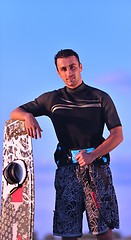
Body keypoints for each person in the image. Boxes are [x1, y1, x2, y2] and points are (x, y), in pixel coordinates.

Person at [10, 49, 123, 240]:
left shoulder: (100, 97)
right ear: (58, 72)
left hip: (97, 169)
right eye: (64, 69)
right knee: (68, 234)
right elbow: (16, 111)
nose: (69, 73)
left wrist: (93, 155)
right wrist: (28, 116)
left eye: (72, 67)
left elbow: (117, 135)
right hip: (66, 172)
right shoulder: (52, 99)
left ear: (80, 67)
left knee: (103, 232)